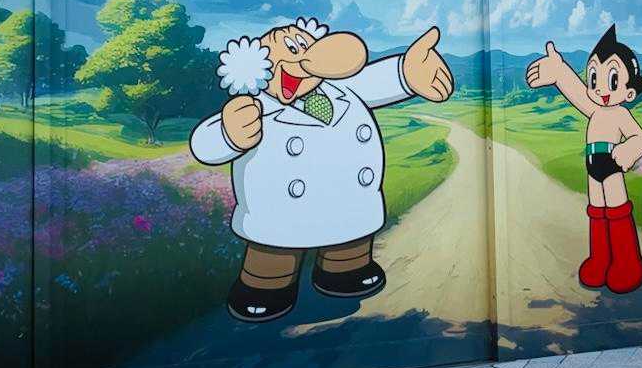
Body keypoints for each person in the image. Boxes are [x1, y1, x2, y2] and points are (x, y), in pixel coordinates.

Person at [189, 18, 456, 322]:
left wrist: (407, 72)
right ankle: (265, 286)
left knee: (349, 238)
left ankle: (345, 270)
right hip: (280, 214)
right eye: (292, 49)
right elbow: (205, 143)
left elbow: (375, 79)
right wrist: (229, 133)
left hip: (350, 204)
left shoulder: (341, 89)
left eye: (307, 45)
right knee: (275, 253)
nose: (305, 55)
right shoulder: (254, 109)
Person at [524, 26, 642, 293]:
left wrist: (628, 151)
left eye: (613, 81)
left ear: (629, 93)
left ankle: (628, 263)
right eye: (594, 79)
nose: (601, 89)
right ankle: (601, 260)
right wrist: (559, 71)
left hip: (611, 164)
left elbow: (639, 138)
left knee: (617, 211)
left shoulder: (620, 114)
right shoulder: (594, 109)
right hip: (593, 164)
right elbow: (576, 92)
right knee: (597, 211)